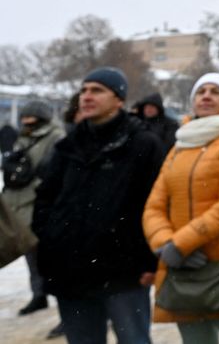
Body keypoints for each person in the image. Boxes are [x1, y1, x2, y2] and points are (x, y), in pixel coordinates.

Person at [33, 67, 164, 344]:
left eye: (97, 90)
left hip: (125, 273)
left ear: (119, 99)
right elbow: (44, 199)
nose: (87, 96)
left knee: (134, 340)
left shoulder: (142, 144)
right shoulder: (67, 147)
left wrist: (149, 260)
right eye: (84, 90)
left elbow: (157, 204)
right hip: (70, 271)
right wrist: (50, 240)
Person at [144, 72, 219, 344]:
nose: (206, 96)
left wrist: (181, 244)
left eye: (215, 91)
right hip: (181, 267)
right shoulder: (182, 144)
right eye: (201, 91)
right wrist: (165, 244)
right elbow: (154, 206)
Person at [1, 100, 66, 317]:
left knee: (48, 255)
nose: (25, 120)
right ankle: (38, 295)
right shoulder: (22, 137)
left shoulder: (55, 136)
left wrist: (38, 182)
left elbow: (52, 169)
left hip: (40, 201)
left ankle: (63, 301)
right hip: (17, 201)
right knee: (29, 252)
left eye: (30, 117)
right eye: (24, 117)